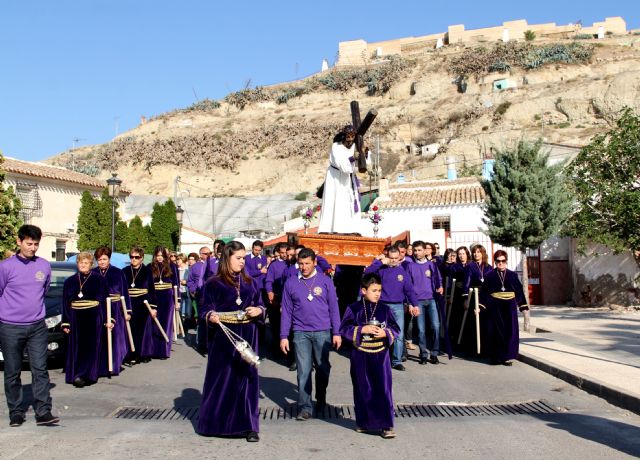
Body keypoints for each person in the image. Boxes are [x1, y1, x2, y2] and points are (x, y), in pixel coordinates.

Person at [197, 241, 264, 442]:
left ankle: (249, 426)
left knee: (247, 380)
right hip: (223, 337)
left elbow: (260, 304)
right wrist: (210, 315)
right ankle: (216, 423)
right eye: (239, 258)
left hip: (248, 333)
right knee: (222, 380)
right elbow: (203, 309)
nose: (243, 262)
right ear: (228, 258)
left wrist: (259, 310)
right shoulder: (213, 283)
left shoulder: (251, 282)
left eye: (244, 258)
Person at [0, 224, 59, 427]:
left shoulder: (43, 266)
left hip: (37, 326)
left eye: (36, 244)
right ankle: (16, 412)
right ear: (19, 242)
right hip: (10, 327)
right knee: (13, 371)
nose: (32, 248)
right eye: (29, 243)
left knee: (40, 369)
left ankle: (43, 412)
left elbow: (43, 290)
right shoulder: (5, 267)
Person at [280, 248, 342, 420]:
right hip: (300, 333)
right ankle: (305, 406)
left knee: (323, 369)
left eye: (307, 263)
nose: (304, 267)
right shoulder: (291, 283)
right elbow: (286, 311)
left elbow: (334, 308)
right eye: (300, 263)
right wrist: (284, 336)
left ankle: (321, 399)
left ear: (315, 263)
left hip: (323, 331)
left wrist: (336, 332)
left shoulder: (325, 281)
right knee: (303, 371)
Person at [339, 273, 400, 439]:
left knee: (383, 389)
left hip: (381, 355)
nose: (377, 293)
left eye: (379, 290)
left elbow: (396, 329)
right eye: (374, 290)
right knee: (362, 388)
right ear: (363, 290)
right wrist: (361, 330)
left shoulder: (385, 309)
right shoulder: (354, 308)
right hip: (360, 354)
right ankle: (364, 422)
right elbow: (343, 329)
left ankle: (386, 425)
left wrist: (385, 333)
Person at [363, 247, 418, 371]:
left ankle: (396, 361)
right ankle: (376, 358)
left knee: (398, 334)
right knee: (378, 333)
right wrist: (380, 262)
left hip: (398, 306)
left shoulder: (403, 272)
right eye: (391, 258)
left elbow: (409, 290)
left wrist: (415, 304)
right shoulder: (381, 270)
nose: (393, 261)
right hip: (382, 305)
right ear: (388, 256)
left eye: (395, 258)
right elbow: (367, 273)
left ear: (399, 257)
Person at [62, 252, 111, 387]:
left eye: (86, 263)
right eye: (80, 262)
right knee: (77, 346)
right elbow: (65, 303)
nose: (83, 265)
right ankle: (76, 373)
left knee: (91, 346)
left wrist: (109, 319)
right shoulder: (70, 281)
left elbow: (106, 301)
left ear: (91, 264)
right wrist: (66, 322)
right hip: (75, 317)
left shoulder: (99, 280)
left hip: (93, 316)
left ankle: (87, 375)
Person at [481, 250, 528, 366]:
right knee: (495, 332)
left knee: (509, 331)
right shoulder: (489, 276)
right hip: (495, 306)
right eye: (498, 261)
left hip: (509, 306)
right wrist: (480, 306)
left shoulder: (512, 275)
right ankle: (496, 357)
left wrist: (523, 306)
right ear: (495, 261)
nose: (500, 263)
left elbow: (519, 291)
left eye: (503, 261)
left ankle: (507, 357)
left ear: (506, 261)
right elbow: (484, 293)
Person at [317, 125, 367, 234]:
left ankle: (351, 229)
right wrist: (353, 158)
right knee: (335, 200)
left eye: (352, 136)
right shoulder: (336, 147)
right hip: (335, 178)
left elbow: (364, 163)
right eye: (348, 136)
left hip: (348, 179)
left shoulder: (355, 146)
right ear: (344, 136)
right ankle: (331, 228)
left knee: (349, 201)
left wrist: (365, 153)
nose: (350, 139)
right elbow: (342, 165)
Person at [92, 246, 130, 375]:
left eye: (104, 259)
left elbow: (124, 293)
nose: (102, 262)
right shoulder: (93, 273)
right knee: (100, 339)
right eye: (99, 259)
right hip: (98, 310)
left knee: (115, 339)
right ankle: (99, 366)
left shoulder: (118, 273)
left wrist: (127, 311)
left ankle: (113, 365)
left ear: (109, 259)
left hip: (115, 309)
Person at [406, 241, 443, 365]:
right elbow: (408, 286)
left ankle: (434, 353)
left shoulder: (431, 265)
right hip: (418, 302)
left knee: (436, 327)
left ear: (425, 251)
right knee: (421, 330)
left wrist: (440, 286)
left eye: (419, 250)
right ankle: (423, 354)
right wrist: (411, 303)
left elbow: (438, 280)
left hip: (431, 299)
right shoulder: (410, 266)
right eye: (415, 250)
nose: (417, 253)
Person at [124, 246, 156, 363]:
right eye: (132, 257)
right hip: (129, 303)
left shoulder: (147, 271)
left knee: (142, 331)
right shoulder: (125, 271)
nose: (134, 259)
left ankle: (141, 354)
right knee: (129, 330)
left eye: (136, 257)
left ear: (142, 258)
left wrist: (153, 307)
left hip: (143, 303)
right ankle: (130, 354)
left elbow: (151, 290)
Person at [461, 244, 493, 355]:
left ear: (483, 253)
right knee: (473, 323)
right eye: (474, 252)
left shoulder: (489, 267)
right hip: (474, 295)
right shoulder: (470, 266)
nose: (476, 254)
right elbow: (466, 283)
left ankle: (486, 348)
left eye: (479, 252)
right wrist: (466, 299)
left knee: (486, 323)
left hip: (486, 297)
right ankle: (473, 349)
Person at [150, 246, 179, 358]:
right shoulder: (151, 267)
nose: (160, 258)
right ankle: (154, 350)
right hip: (155, 296)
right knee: (155, 324)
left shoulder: (172, 266)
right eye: (158, 255)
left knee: (166, 323)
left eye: (162, 255)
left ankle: (164, 350)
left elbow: (176, 283)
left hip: (167, 297)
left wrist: (178, 300)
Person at [265, 242, 288, 359]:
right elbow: (268, 280)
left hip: (289, 301)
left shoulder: (293, 265)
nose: (284, 255)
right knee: (276, 325)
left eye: (286, 252)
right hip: (276, 298)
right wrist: (269, 292)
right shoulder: (274, 265)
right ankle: (276, 350)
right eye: (282, 253)